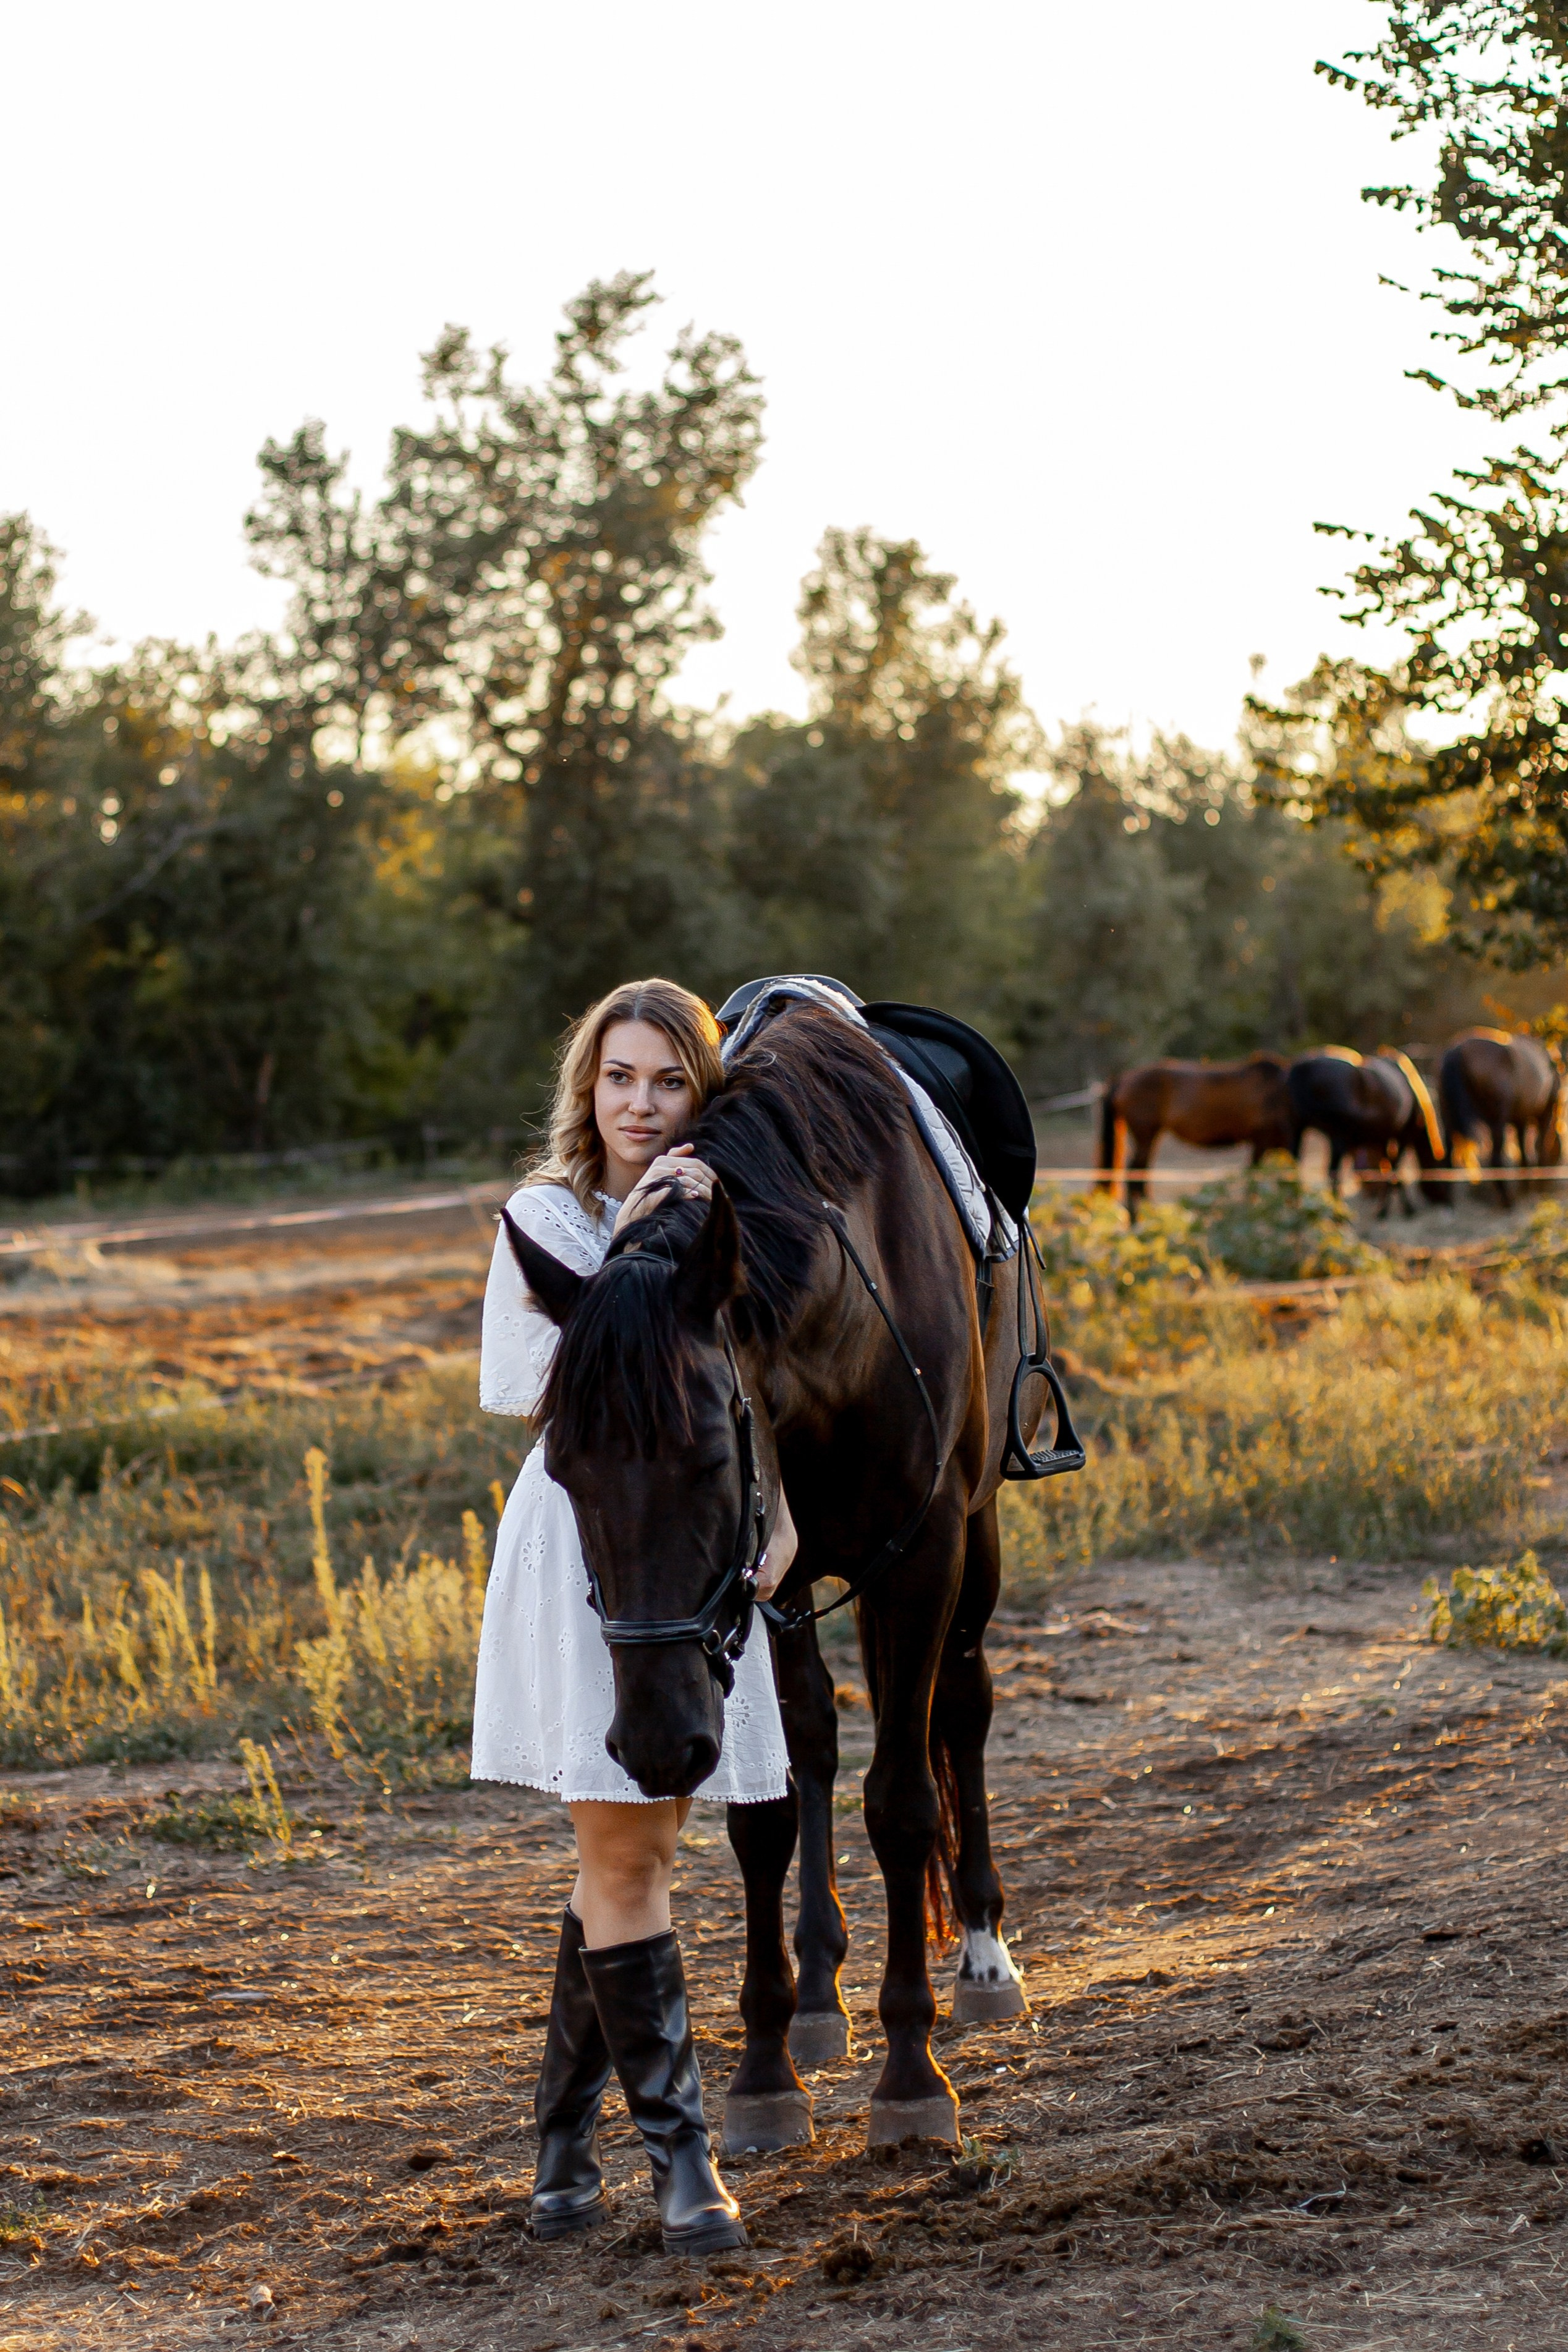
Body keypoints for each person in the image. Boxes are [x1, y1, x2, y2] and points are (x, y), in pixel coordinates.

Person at [472, 977, 794, 2256]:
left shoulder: (737, 1220)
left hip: (701, 1552)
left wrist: (788, 1512)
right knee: (628, 1857)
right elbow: (520, 1386)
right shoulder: (548, 1218)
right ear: (586, 1087)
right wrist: (639, 1240)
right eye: (620, 1078)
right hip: (593, 1544)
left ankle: (560, 2142)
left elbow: (768, 1386)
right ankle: (680, 2156)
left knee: (633, 1857)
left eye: (669, 1080)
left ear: (701, 1092)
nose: (642, 1106)